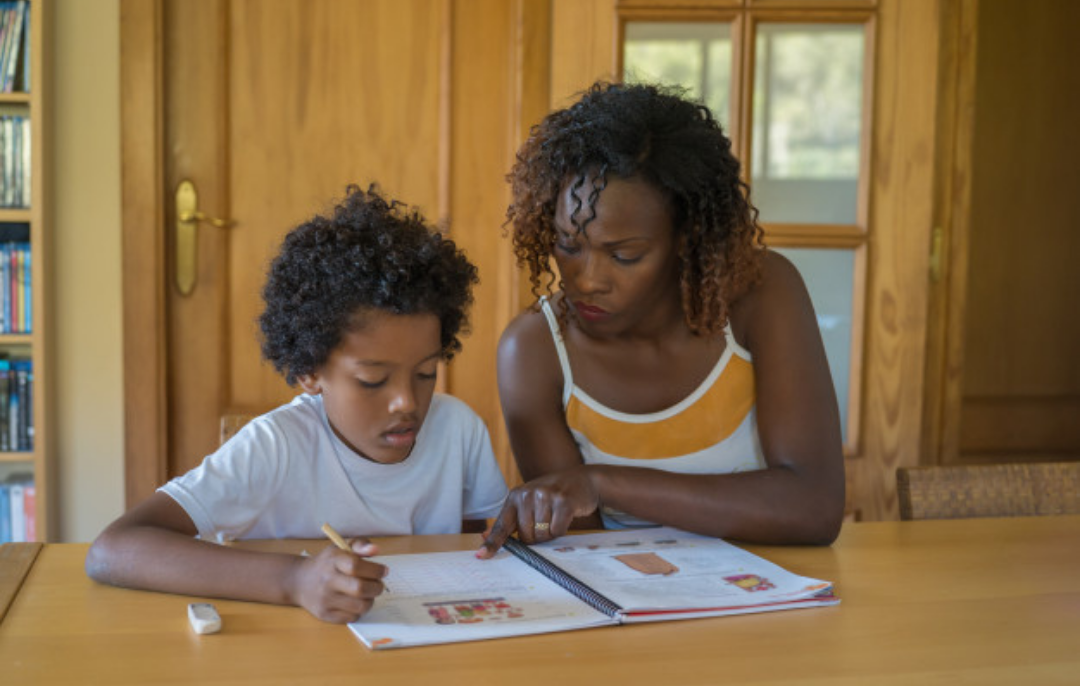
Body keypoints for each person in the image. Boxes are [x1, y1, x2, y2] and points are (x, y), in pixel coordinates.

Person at [87, 185, 509, 623]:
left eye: (426, 373)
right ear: (309, 371)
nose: (407, 401)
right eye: (373, 380)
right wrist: (295, 579)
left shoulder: (459, 430)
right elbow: (114, 549)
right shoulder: (277, 445)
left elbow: (484, 548)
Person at [478, 82, 844, 557]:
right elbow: (585, 554)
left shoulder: (761, 292)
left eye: (625, 255)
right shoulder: (534, 350)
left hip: (774, 599)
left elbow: (814, 507)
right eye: (568, 245)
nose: (587, 280)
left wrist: (602, 482)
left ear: (686, 239)